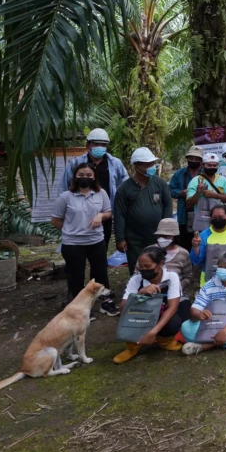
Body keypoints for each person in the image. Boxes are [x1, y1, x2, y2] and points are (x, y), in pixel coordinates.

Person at [51, 162, 118, 315]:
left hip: (96, 241)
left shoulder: (101, 193)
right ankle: (80, 308)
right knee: (76, 276)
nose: (85, 178)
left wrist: (100, 215)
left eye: (88, 175)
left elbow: (108, 212)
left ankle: (105, 303)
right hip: (73, 244)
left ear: (94, 177)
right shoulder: (66, 197)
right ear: (75, 176)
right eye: (81, 175)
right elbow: (55, 220)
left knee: (100, 273)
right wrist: (70, 231)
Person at [58, 128, 128, 251]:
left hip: (105, 212)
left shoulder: (115, 163)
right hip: (80, 211)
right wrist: (64, 209)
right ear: (88, 145)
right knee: (78, 245)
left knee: (102, 245)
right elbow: (63, 186)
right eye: (96, 144)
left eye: (103, 144)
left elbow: (124, 184)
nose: (100, 147)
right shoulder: (76, 163)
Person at [113, 246, 183, 362]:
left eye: (148, 266)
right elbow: (123, 309)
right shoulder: (136, 279)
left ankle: (164, 341)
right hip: (140, 316)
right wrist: (139, 294)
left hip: (160, 315)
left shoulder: (171, 277)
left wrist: (153, 332)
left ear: (161, 264)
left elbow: (173, 307)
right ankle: (132, 347)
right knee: (128, 318)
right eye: (141, 267)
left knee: (174, 322)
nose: (143, 270)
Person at [113, 147, 172, 275]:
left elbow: (168, 206)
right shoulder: (124, 188)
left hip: (157, 236)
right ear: (137, 166)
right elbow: (119, 214)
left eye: (152, 163)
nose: (152, 166)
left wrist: (166, 230)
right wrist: (120, 239)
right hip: (134, 238)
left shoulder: (160, 183)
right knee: (138, 268)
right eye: (148, 164)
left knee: (158, 266)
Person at [189, 203, 226, 286]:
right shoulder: (204, 235)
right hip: (209, 281)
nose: (217, 219)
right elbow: (196, 261)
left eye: (221, 217)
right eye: (214, 217)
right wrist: (195, 247)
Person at [185, 152, 226, 235]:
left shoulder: (223, 180)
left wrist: (214, 195)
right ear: (203, 165)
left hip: (220, 220)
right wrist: (198, 192)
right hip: (201, 221)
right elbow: (188, 204)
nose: (212, 167)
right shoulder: (195, 181)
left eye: (214, 165)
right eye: (209, 165)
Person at [168, 146, 204, 249]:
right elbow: (170, 190)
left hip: (202, 216)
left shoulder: (206, 173)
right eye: (191, 158)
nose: (193, 161)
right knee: (184, 245)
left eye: (197, 159)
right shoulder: (179, 174)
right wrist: (180, 193)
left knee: (201, 245)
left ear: (201, 161)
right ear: (187, 159)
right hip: (183, 216)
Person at [148, 218, 192, 294]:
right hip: (150, 293)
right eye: (159, 236)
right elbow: (137, 274)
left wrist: (176, 287)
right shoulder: (148, 251)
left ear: (174, 236)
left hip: (176, 294)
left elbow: (188, 277)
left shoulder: (183, 254)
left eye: (165, 236)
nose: (161, 239)